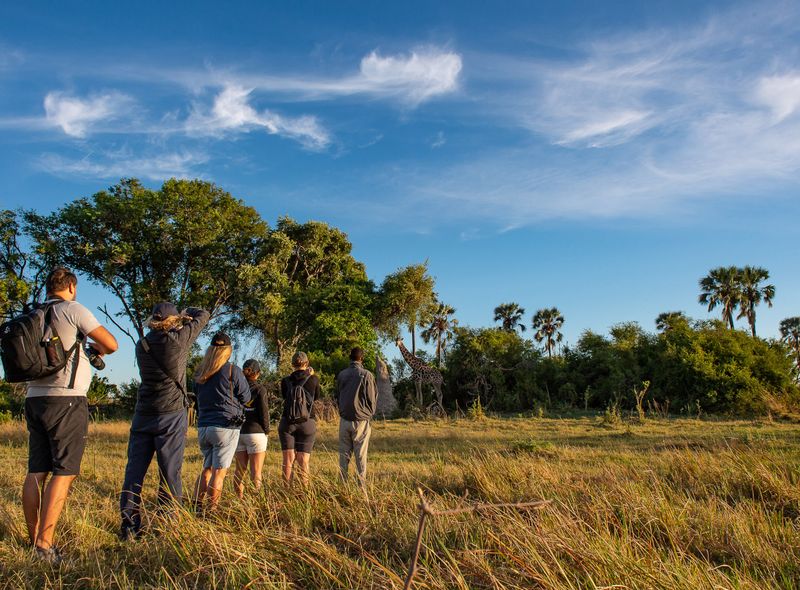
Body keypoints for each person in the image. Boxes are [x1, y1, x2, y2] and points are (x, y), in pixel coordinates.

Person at [23, 267, 118, 563]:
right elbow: (112, 344)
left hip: (34, 399)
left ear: (48, 288)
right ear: (72, 287)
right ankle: (44, 546)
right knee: (64, 472)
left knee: (36, 471)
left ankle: (34, 538)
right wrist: (96, 349)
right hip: (66, 399)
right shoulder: (73, 309)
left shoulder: (34, 314)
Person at [118, 302, 210, 540]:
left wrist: (178, 319)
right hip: (170, 414)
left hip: (143, 412)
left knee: (134, 471)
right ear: (172, 321)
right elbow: (204, 314)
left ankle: (129, 525)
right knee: (170, 471)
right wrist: (186, 314)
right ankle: (166, 522)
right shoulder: (178, 341)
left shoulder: (142, 344)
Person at [192, 332, 250, 512]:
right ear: (228, 350)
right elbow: (246, 396)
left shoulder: (201, 372)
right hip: (225, 426)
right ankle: (212, 510)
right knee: (219, 472)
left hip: (203, 426)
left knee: (206, 468)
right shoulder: (232, 370)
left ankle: (197, 505)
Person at [335, 347, 378, 491]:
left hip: (344, 420)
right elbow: (372, 399)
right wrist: (368, 414)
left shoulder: (341, 375)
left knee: (343, 458)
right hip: (361, 421)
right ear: (362, 359)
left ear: (350, 357)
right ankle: (362, 489)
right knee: (361, 458)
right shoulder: (367, 375)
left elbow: (338, 396)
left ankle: (342, 489)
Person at [278, 352, 320, 486]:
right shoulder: (313, 379)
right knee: (303, 460)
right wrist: (311, 375)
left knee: (288, 460)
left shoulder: (285, 381)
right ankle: (305, 493)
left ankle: (286, 493)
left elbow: (285, 397)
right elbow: (317, 397)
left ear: (292, 365)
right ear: (306, 364)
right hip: (307, 421)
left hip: (288, 421)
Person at [233, 359, 270, 498]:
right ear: (257, 373)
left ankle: (239, 499)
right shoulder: (260, 389)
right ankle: (257, 501)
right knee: (256, 472)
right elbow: (264, 413)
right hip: (256, 432)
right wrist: (266, 431)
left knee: (239, 470)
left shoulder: (236, 389)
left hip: (239, 432)